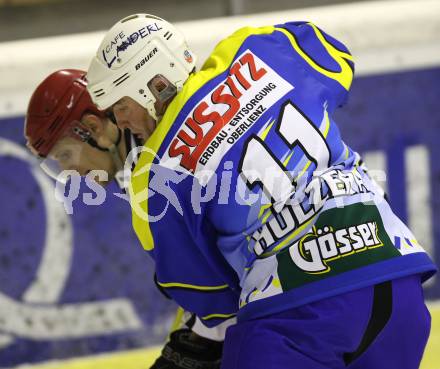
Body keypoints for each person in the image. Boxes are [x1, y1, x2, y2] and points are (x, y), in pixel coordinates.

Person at [86, 14, 437, 369]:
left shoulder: (154, 175)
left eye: (121, 105)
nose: (121, 121)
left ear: (155, 85)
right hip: (398, 283)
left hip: (297, 319)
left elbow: (212, 299)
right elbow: (337, 58)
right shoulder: (258, 48)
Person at [24, 68, 231, 369]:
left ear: (93, 127)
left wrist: (200, 340)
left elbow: (220, 287)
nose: (70, 174)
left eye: (66, 156)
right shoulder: (137, 167)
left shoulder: (155, 172)